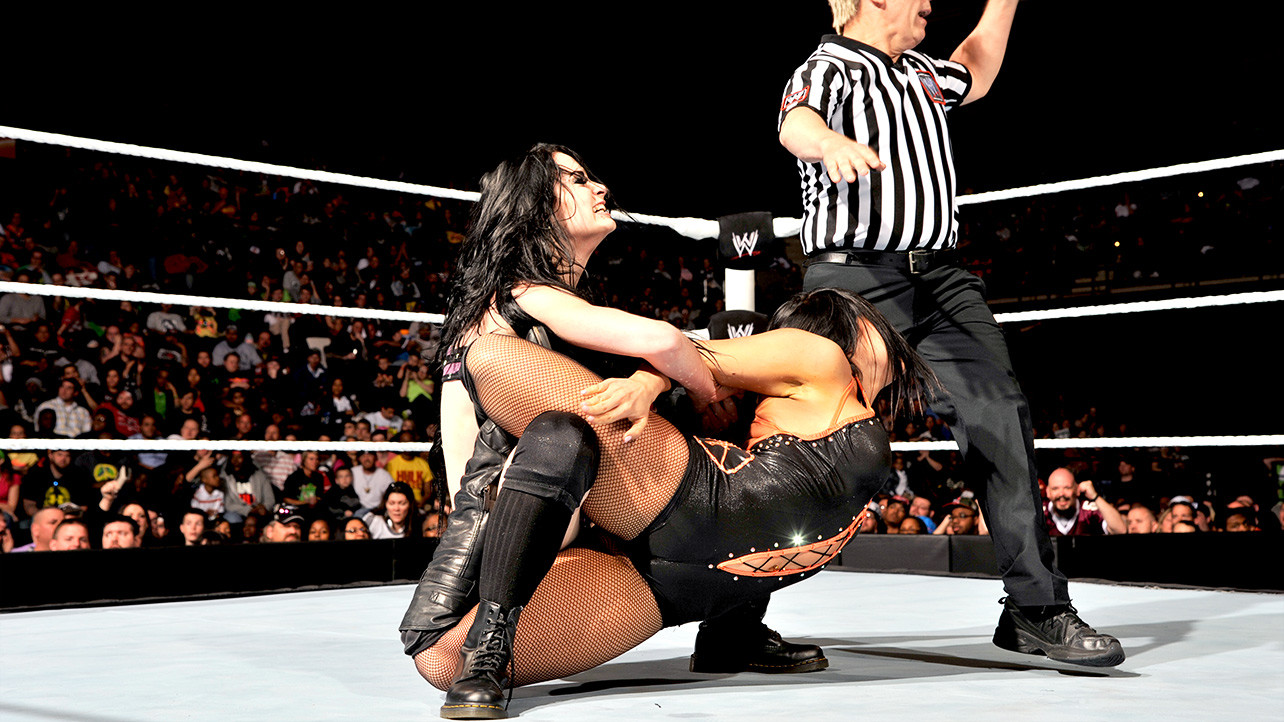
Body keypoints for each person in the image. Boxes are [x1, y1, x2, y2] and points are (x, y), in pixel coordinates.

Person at [400, 145, 818, 704]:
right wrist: (693, 382)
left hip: (588, 526)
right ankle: (489, 647)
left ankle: (732, 630)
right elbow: (664, 341)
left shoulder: (566, 307)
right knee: (562, 433)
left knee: (728, 407)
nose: (600, 188)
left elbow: (660, 363)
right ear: (534, 205)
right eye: (576, 180)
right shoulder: (515, 298)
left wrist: (654, 384)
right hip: (502, 553)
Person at [777, 0, 1123, 666]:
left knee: (1000, 414)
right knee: (805, 436)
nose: (931, 4)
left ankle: (1035, 609)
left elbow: (978, 63)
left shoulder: (923, 73)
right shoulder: (831, 65)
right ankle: (734, 618)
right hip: (855, 280)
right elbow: (798, 120)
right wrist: (830, 145)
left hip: (941, 280)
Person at [413, 287, 937, 718]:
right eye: (876, 324)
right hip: (692, 499)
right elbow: (693, 353)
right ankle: (492, 633)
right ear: (853, 326)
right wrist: (647, 382)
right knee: (495, 359)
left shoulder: (806, 400)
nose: (890, 334)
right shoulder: (821, 358)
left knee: (441, 662)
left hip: (673, 591)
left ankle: (731, 637)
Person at [1043, 468, 1126, 537]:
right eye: (1055, 488)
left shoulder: (1089, 511)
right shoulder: (1040, 512)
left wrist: (1095, 496)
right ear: (1048, 492)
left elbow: (1120, 530)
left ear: (1077, 489)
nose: (1061, 494)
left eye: (1067, 488)